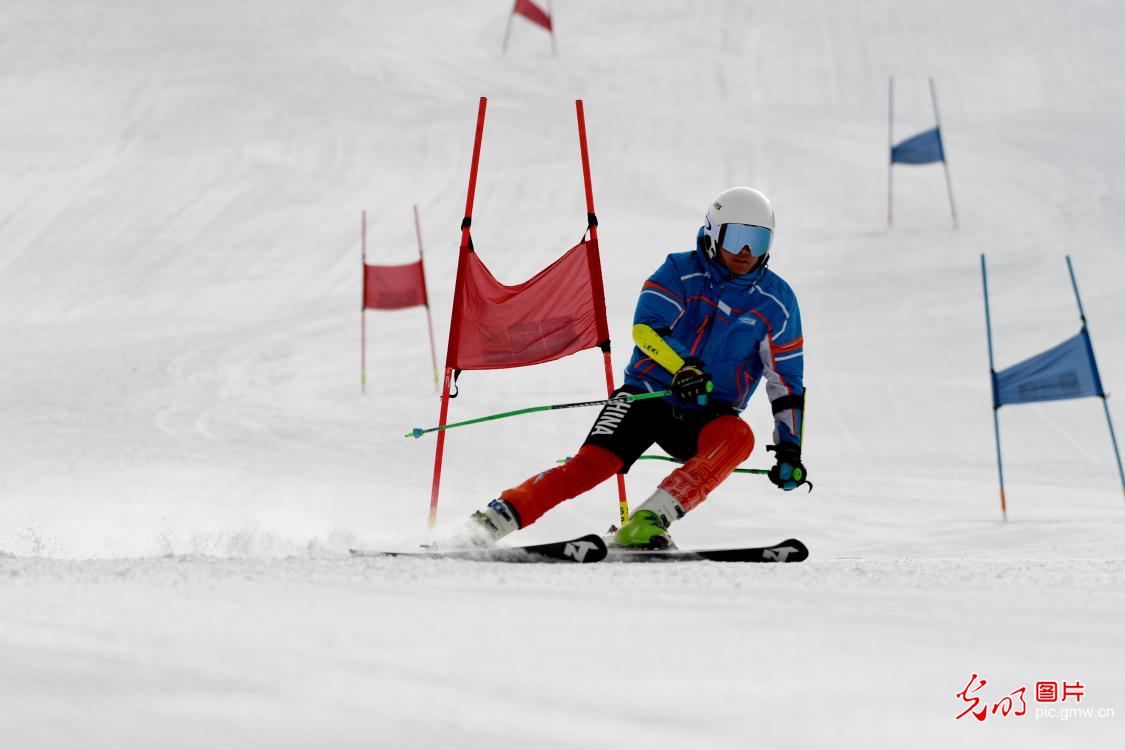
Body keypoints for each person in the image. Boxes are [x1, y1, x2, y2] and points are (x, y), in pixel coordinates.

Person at [467, 186, 807, 548]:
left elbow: (786, 380)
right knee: (592, 465)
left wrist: (789, 448)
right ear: (712, 233)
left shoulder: (777, 302)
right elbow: (646, 329)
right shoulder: (679, 271)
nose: (745, 252)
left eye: (758, 241)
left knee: (738, 437)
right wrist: (683, 368)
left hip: (707, 414)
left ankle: (648, 521)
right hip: (648, 395)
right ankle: (493, 520)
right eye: (737, 237)